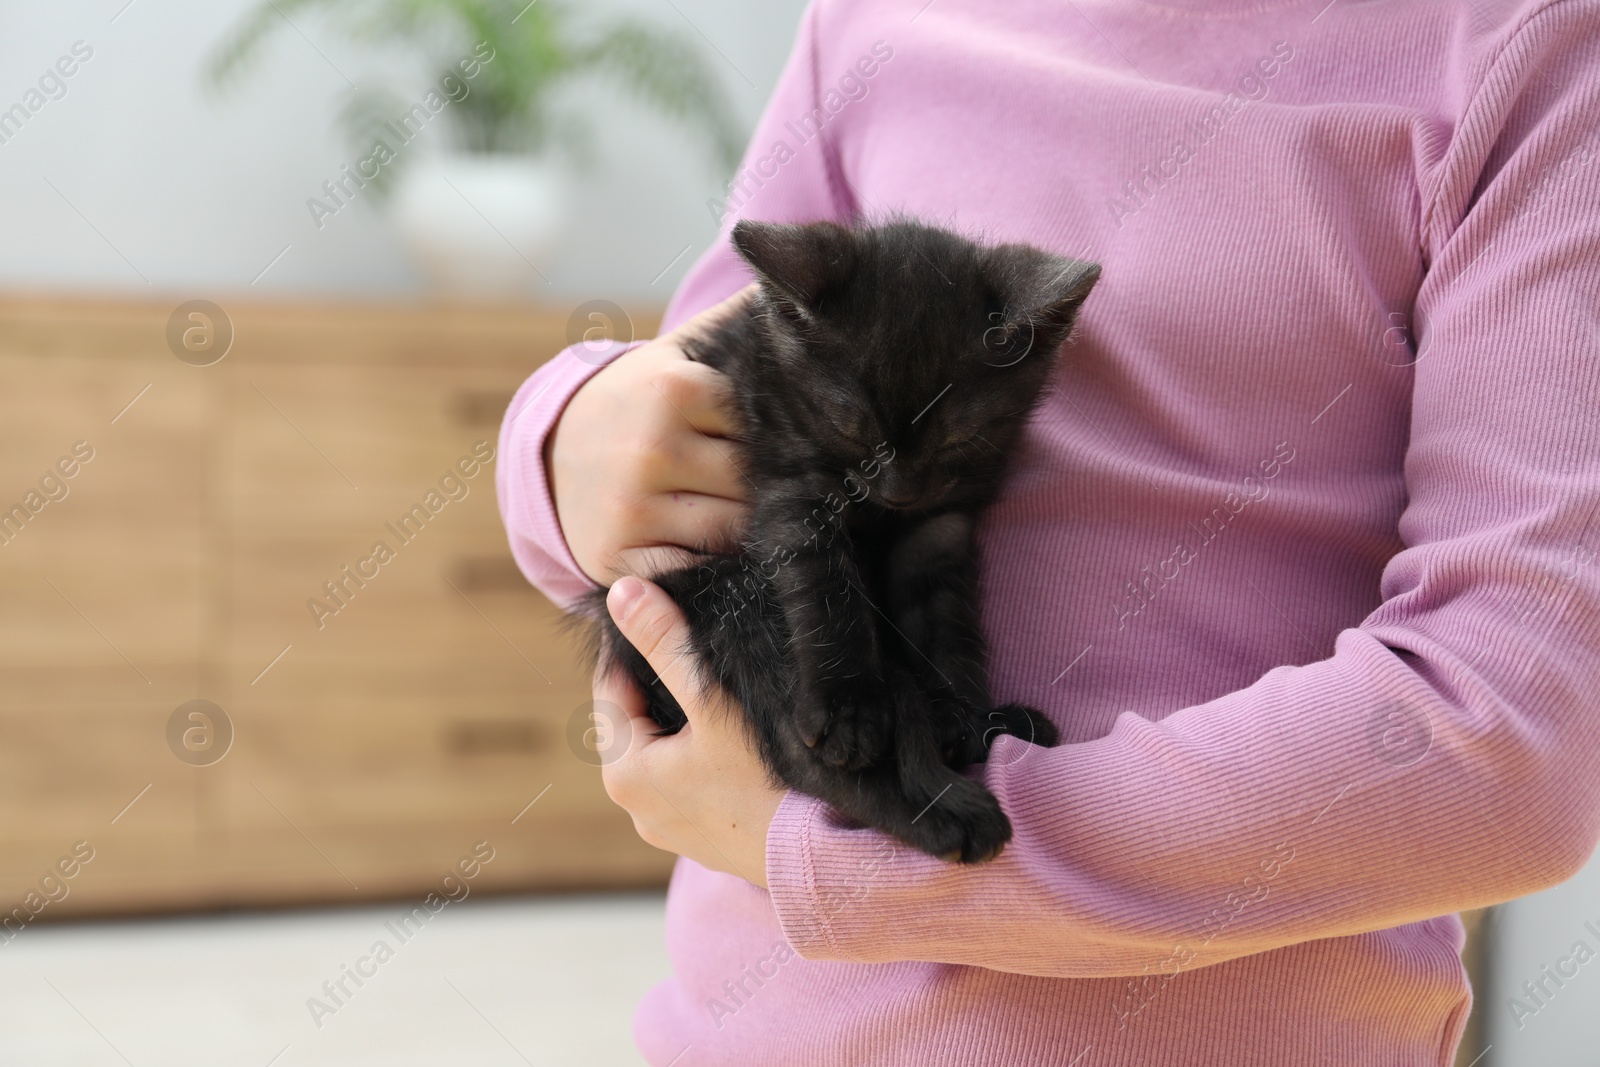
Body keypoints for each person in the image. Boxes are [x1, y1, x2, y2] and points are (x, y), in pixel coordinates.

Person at [496, 0, 1600, 1062]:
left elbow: (1510, 733)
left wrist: (872, 856)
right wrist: (556, 445)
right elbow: (701, 430)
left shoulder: (1520, 54)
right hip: (751, 1027)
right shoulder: (870, 23)